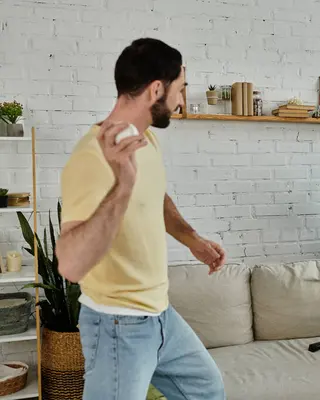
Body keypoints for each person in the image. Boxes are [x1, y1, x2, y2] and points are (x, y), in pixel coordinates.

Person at [56, 38, 226, 400]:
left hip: (160, 314)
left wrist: (192, 239)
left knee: (206, 390)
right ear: (156, 90)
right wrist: (122, 184)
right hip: (117, 323)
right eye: (180, 90)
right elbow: (69, 264)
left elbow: (155, 196)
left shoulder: (145, 139)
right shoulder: (91, 156)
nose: (180, 102)